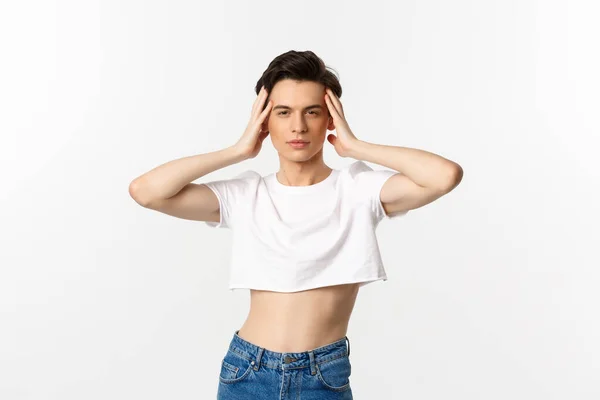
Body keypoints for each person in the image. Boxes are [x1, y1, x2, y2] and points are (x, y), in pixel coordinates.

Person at [128, 50, 463, 399]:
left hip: (324, 377)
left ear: (330, 119)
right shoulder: (246, 195)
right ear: (264, 120)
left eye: (312, 112)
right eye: (283, 112)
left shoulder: (359, 190)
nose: (298, 126)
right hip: (247, 372)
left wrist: (356, 147)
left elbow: (444, 176)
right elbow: (147, 192)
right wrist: (238, 150)